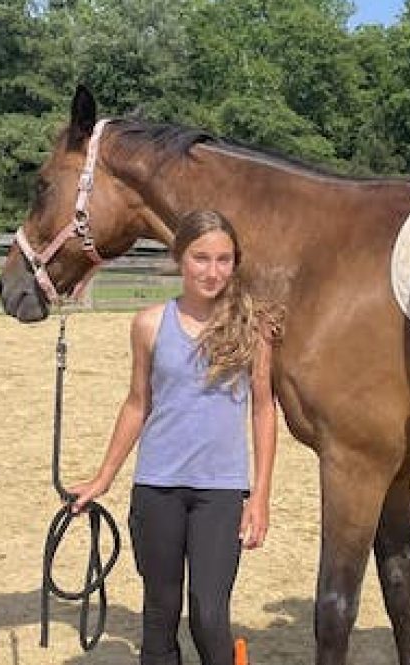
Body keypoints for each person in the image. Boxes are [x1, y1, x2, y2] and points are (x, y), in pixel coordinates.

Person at [67, 210, 278, 665]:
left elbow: (264, 408)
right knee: (160, 615)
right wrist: (103, 477)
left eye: (224, 259)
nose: (213, 270)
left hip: (221, 492)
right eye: (201, 258)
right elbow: (137, 403)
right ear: (179, 258)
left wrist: (259, 495)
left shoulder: (254, 328)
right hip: (157, 486)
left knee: (208, 612)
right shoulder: (148, 324)